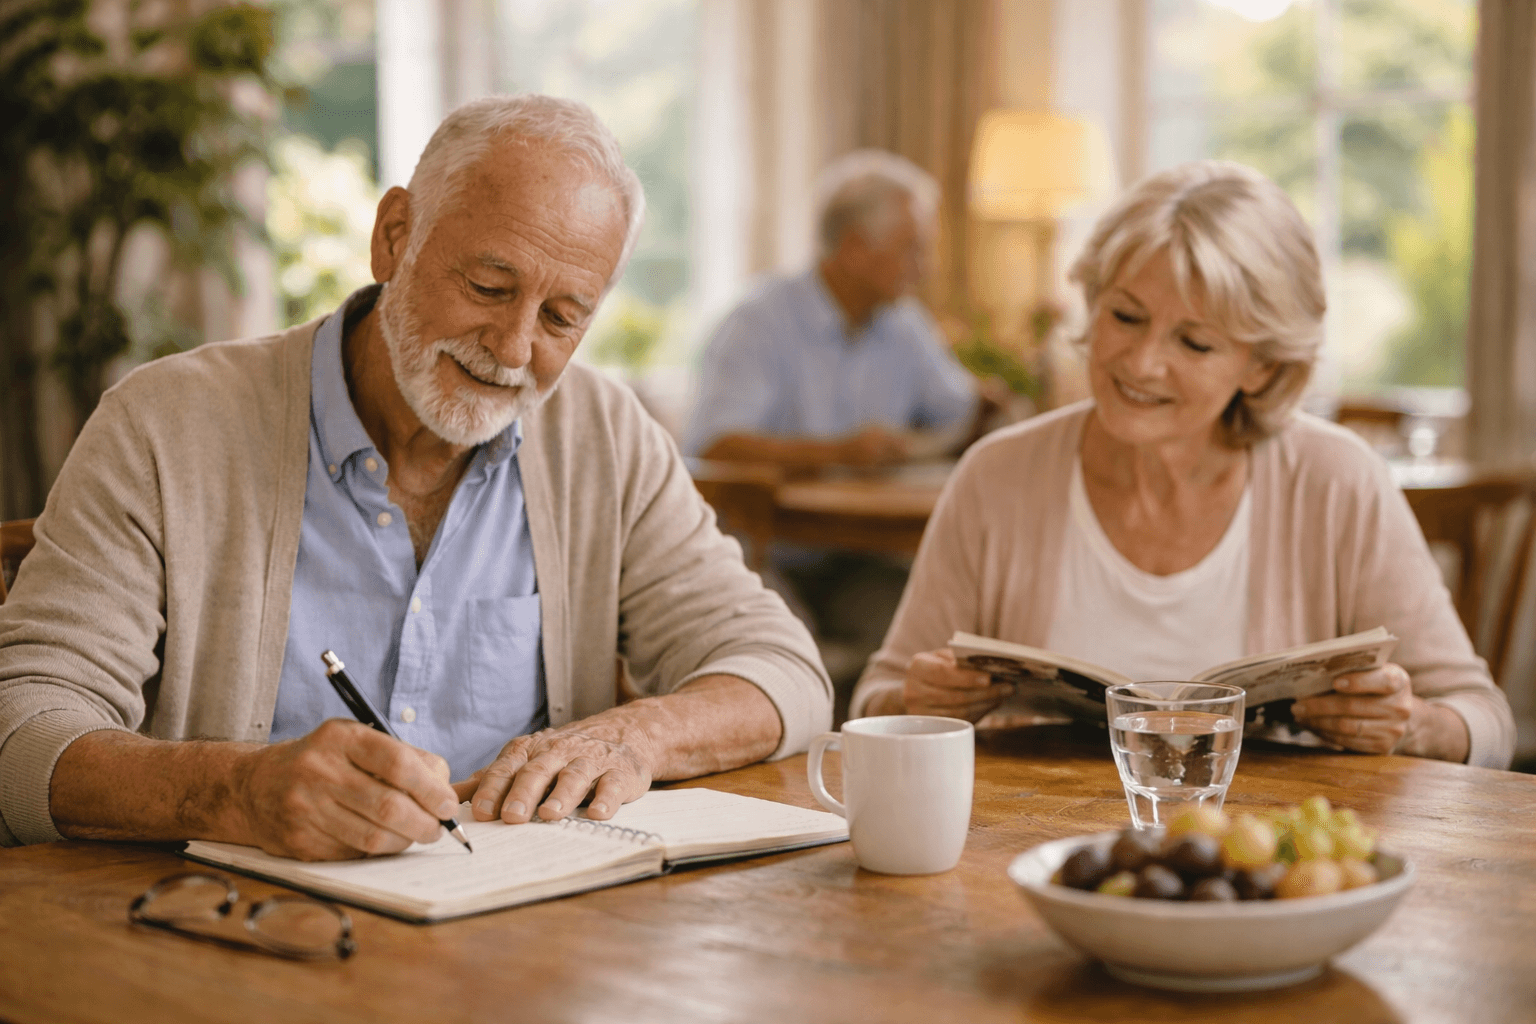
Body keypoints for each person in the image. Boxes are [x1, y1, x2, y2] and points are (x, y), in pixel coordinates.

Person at [0, 94, 831, 859]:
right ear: (394, 235)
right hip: (232, 941)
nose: (511, 349)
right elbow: (23, 726)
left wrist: (635, 736)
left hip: (522, 944)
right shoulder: (166, 423)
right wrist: (234, 792)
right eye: (487, 286)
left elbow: (781, 669)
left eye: (561, 317)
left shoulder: (602, 435)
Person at [851, 160, 1516, 769]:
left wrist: (1412, 725)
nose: (1140, 363)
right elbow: (874, 701)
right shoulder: (997, 475)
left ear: (1262, 366)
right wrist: (922, 704)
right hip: (1028, 859)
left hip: (1269, 868)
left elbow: (1487, 724)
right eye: (1126, 316)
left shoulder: (1339, 481)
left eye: (1193, 342)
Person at [683, 150, 981, 709]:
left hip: (856, 556)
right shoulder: (760, 321)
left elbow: (957, 408)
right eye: (911, 249)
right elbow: (716, 445)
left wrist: (991, 402)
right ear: (853, 250)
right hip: (763, 553)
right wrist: (839, 450)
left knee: (942, 640)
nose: (926, 266)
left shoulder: (903, 322)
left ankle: (880, 766)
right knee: (785, 660)